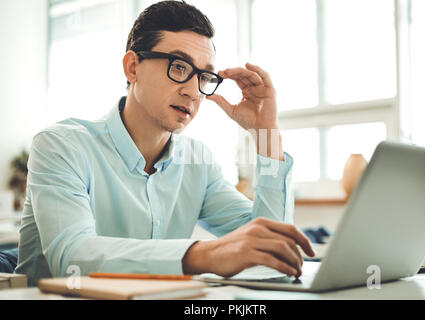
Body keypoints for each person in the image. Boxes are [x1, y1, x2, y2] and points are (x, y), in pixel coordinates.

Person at [15, 0, 315, 286]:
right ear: (133, 67)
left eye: (203, 76)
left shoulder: (198, 160)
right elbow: (72, 258)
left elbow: (270, 248)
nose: (193, 93)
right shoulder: (61, 146)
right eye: (179, 67)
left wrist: (266, 132)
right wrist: (205, 255)